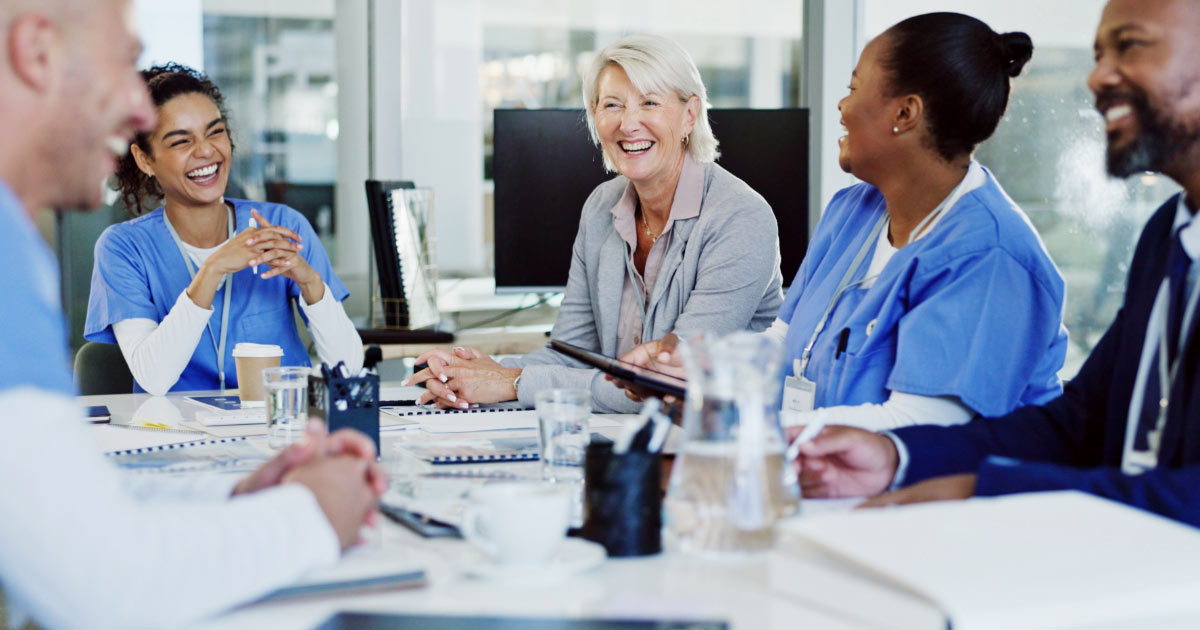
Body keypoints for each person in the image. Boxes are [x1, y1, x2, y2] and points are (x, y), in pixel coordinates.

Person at [0, 1, 383, 627]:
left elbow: (71, 509)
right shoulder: (51, 255)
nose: (134, 109)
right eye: (123, 61)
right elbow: (101, 584)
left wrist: (237, 493)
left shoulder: (16, 246)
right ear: (39, 52)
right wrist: (313, 511)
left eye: (214, 129)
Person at [795, 0, 1200, 528]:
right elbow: (1080, 422)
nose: (1098, 77)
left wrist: (984, 489)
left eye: (1131, 45)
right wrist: (899, 457)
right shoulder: (1169, 235)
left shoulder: (986, 247)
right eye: (1098, 54)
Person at [623, 13, 1068, 432]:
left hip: (951, 503)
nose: (841, 105)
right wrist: (692, 372)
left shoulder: (987, 255)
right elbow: (783, 345)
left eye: (854, 88)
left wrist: (742, 422)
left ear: (905, 114)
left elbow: (918, 426)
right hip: (832, 481)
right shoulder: (852, 212)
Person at [406, 34, 783, 413]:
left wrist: (513, 381)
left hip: (717, 449)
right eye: (612, 105)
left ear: (690, 115)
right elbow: (571, 353)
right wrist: (469, 374)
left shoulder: (740, 218)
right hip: (624, 439)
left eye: (649, 103)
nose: (628, 123)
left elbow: (669, 385)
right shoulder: (602, 206)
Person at [84, 63, 363, 395]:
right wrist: (213, 268)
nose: (205, 151)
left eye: (215, 132)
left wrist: (310, 282)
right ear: (145, 160)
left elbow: (349, 367)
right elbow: (153, 378)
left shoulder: (281, 227)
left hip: (278, 428)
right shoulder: (123, 248)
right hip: (175, 434)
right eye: (180, 142)